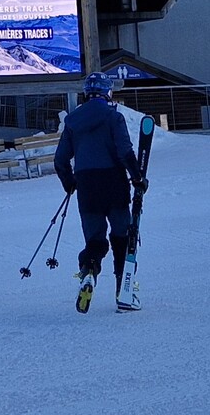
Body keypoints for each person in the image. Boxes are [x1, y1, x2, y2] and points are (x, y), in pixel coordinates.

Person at [53, 72, 145, 306]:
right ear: (107, 92)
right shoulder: (114, 117)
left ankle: (89, 273)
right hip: (114, 183)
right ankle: (124, 290)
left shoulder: (72, 121)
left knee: (94, 240)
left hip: (87, 186)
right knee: (122, 237)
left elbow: (60, 159)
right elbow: (125, 151)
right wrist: (137, 178)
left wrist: (70, 182)